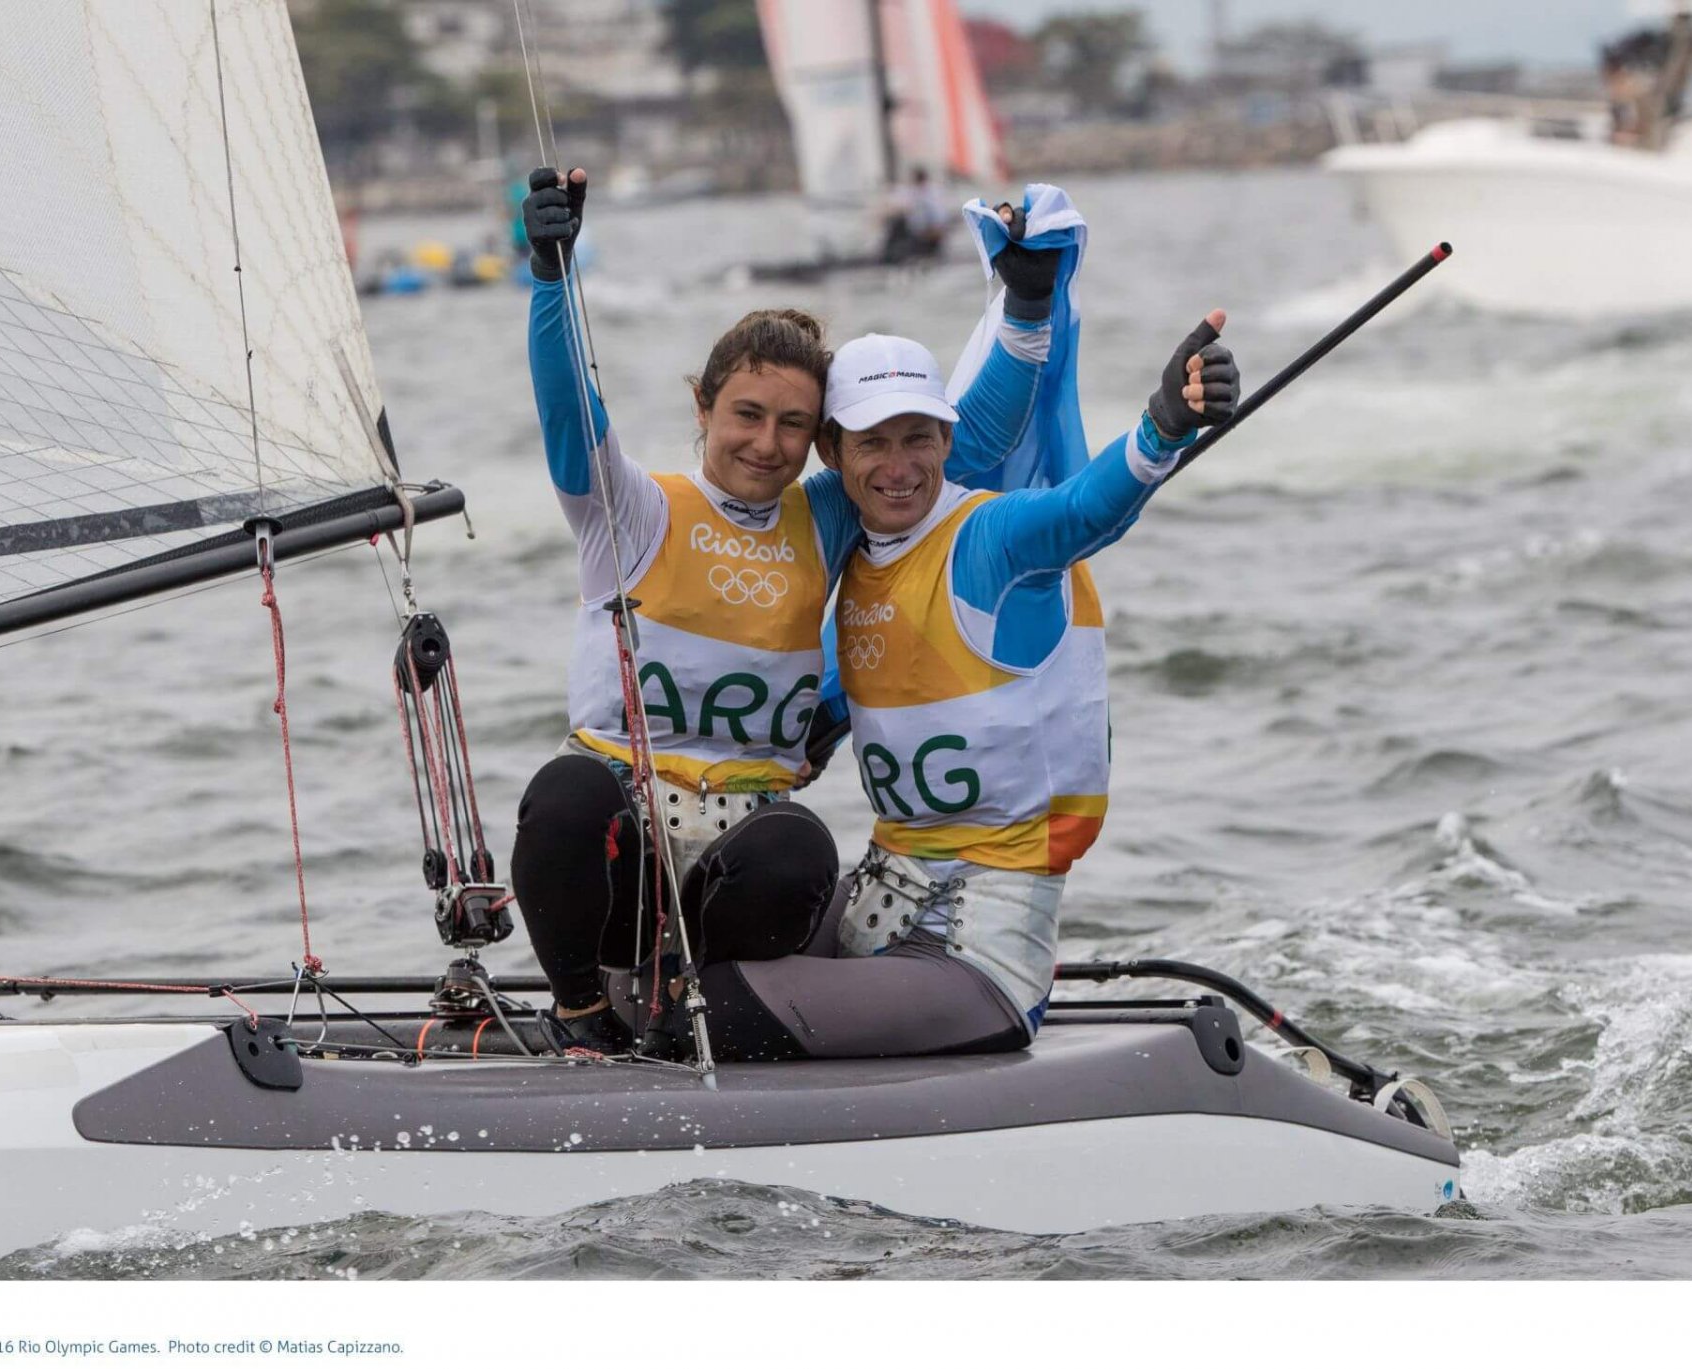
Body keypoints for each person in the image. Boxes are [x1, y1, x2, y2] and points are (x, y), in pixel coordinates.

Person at [509, 167, 1067, 1053]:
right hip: (632, 861)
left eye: (794, 425)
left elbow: (958, 441)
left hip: (740, 872)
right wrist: (552, 276)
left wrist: (1028, 308)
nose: (767, 445)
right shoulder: (630, 509)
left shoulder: (826, 514)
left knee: (800, 847)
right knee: (566, 793)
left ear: (821, 440)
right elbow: (571, 415)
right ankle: (580, 1011)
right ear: (703, 406)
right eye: (747, 414)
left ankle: (692, 1016)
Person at [699, 310, 1240, 1059]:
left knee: (711, 1008)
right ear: (831, 451)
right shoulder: (859, 558)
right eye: (873, 442)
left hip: (978, 960)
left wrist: (1164, 426)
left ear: (947, 442)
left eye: (919, 437)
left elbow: (1084, 510)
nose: (899, 465)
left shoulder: (990, 540)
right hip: (878, 906)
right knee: (688, 948)